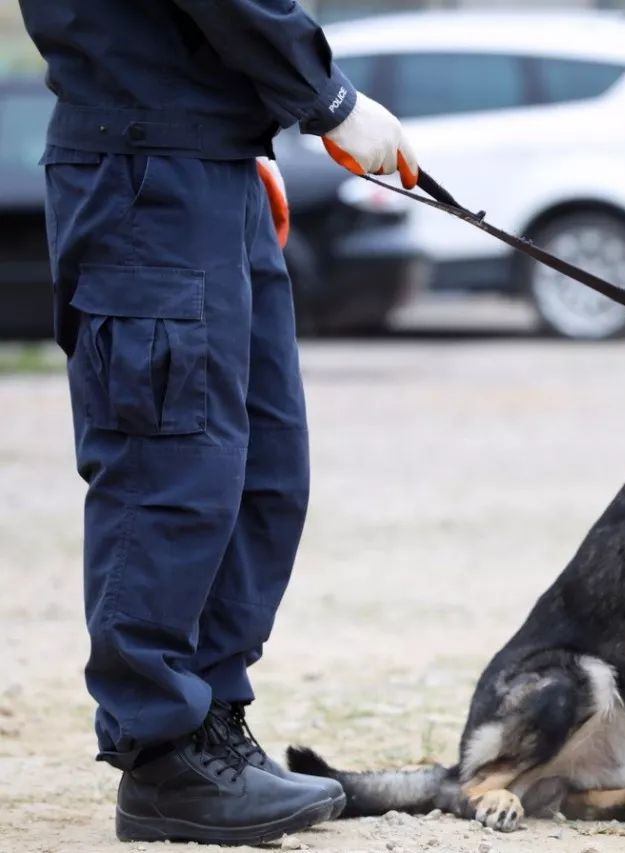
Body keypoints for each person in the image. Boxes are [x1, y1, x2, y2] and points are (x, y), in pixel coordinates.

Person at [17, 1, 419, 845]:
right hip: (144, 169)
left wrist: (248, 127)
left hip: (208, 160)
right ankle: (162, 754)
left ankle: (211, 724)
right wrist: (328, 97)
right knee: (170, 469)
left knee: (263, 470)